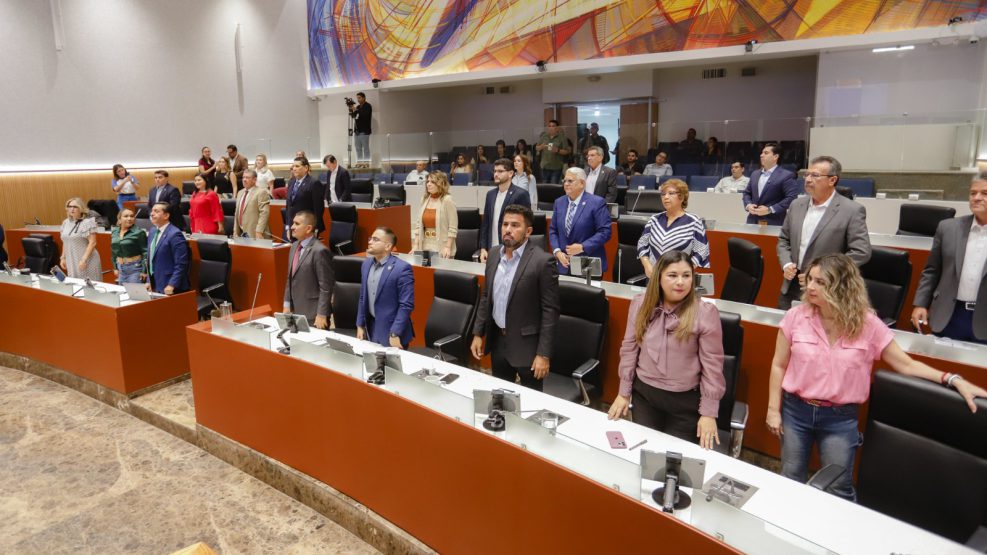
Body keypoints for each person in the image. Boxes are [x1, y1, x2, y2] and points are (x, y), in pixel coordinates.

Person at [766, 253, 987, 500]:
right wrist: (773, 410)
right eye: (810, 280)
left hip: (839, 418)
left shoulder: (868, 325)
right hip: (796, 411)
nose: (811, 287)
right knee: (790, 479)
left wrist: (953, 379)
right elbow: (778, 365)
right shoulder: (795, 317)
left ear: (843, 286)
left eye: (821, 282)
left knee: (838, 488)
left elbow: (906, 365)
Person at [608, 251, 725, 448]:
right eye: (672, 275)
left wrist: (709, 412)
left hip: (684, 402)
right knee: (644, 450)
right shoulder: (640, 304)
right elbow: (629, 349)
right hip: (645, 395)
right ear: (659, 277)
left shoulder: (704, 313)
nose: (680, 282)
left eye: (686, 275)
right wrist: (623, 393)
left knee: (673, 458)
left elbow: (713, 366)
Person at [471, 204, 559, 391]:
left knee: (532, 401)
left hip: (528, 347)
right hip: (498, 342)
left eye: (515, 225)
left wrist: (543, 354)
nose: (508, 230)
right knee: (501, 396)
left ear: (528, 231)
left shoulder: (542, 261)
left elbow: (550, 311)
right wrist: (478, 333)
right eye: (505, 224)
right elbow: (486, 296)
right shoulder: (493, 254)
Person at [777, 156, 871, 310]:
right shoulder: (796, 205)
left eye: (815, 175)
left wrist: (823, 273)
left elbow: (861, 252)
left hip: (828, 291)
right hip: (792, 286)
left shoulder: (852, 210)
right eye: (807, 174)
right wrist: (786, 263)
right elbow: (784, 240)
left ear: (832, 180)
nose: (808, 179)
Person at [912, 173, 987, 343]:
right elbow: (932, 270)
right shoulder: (948, 228)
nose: (976, 198)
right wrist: (921, 303)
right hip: (949, 314)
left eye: (985, 193)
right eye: (973, 193)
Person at [356, 227, 414, 348]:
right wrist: (360, 324)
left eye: (375, 239)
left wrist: (395, 333)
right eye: (370, 238)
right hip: (371, 327)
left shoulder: (402, 269)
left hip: (392, 332)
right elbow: (363, 296)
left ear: (388, 246)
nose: (370, 242)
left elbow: (406, 305)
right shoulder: (366, 264)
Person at [637, 179, 710, 275]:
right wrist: (647, 265)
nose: (666, 197)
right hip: (653, 276)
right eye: (663, 194)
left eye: (671, 193)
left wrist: (685, 270)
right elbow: (642, 243)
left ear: (682, 197)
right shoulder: (654, 219)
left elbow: (702, 250)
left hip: (678, 278)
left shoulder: (693, 221)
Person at [549, 167, 612, 275]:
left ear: (582, 183)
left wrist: (582, 247)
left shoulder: (596, 203)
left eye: (570, 181)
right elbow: (553, 230)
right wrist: (557, 251)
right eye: (565, 180)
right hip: (563, 264)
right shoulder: (559, 202)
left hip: (587, 264)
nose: (566, 184)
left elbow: (605, 232)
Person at [284, 210, 334, 330]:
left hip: (314, 314)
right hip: (296, 310)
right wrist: (287, 304)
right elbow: (290, 278)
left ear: (308, 228)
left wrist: (322, 314)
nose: (292, 227)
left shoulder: (319, 251)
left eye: (297, 224)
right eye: (293, 223)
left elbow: (326, 287)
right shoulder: (294, 247)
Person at [479, 158, 531, 262]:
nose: (496, 174)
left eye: (500, 171)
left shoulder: (520, 194)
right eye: (495, 171)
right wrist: (483, 248)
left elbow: (525, 224)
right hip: (492, 250)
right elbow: (486, 223)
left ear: (511, 173)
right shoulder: (490, 195)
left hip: (513, 250)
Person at [742, 143, 798, 226]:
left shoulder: (786, 175)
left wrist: (770, 209)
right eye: (762, 153)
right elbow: (747, 193)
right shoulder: (755, 174)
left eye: (766, 153)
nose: (761, 155)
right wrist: (748, 205)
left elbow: (792, 198)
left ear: (775, 156)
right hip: (752, 221)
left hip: (774, 222)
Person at [411, 171, 458, 258]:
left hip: (442, 246)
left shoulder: (447, 200)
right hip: (424, 244)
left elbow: (453, 228)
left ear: (441, 184)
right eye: (428, 181)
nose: (428, 184)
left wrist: (448, 247)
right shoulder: (424, 199)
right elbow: (418, 225)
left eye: (432, 182)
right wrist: (415, 245)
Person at [146, 202, 190, 295]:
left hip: (171, 286)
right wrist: (149, 281)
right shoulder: (152, 231)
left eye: (156, 211)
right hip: (155, 283)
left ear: (166, 215)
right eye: (152, 211)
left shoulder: (175, 234)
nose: (152, 214)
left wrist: (172, 284)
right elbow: (150, 259)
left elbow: (181, 263)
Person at [59, 197, 103, 280]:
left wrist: (84, 260)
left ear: (81, 208)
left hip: (87, 259)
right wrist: (63, 257)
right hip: (72, 259)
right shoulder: (65, 222)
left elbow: (92, 243)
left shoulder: (88, 222)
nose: (72, 209)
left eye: (75, 207)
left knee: (90, 285)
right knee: (75, 284)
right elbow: (65, 241)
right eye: (69, 206)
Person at [284, 156, 325, 240]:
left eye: (297, 166)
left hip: (307, 229)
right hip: (293, 227)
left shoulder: (314, 183)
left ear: (306, 168)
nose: (294, 169)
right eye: (293, 166)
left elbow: (318, 208)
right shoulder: (291, 182)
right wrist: (288, 227)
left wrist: (315, 229)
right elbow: (289, 206)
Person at [110, 208, 147, 284]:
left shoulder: (139, 233)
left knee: (134, 291)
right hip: (121, 268)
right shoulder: (115, 232)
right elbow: (114, 251)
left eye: (132, 216)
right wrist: (115, 267)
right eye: (126, 216)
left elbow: (145, 253)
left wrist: (144, 271)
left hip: (135, 268)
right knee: (122, 291)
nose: (129, 218)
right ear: (119, 219)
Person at [233, 169, 271, 239]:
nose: (244, 180)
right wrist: (235, 231)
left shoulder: (261, 192)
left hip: (255, 234)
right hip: (241, 233)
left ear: (254, 180)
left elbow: (264, 213)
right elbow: (237, 213)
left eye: (247, 177)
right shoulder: (240, 192)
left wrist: (259, 231)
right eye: (243, 177)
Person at [535, 120, 568, 184]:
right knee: (544, 186)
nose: (551, 128)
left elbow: (567, 151)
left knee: (553, 186)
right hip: (545, 166)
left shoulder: (562, 138)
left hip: (556, 167)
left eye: (553, 126)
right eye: (549, 126)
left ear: (557, 128)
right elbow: (536, 148)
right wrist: (541, 146)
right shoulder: (544, 136)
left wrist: (557, 150)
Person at [349, 92, 373, 167]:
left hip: (364, 131)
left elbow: (365, 115)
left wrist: (356, 110)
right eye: (357, 98)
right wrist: (351, 109)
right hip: (357, 131)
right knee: (358, 148)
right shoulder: (358, 107)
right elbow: (354, 116)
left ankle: (366, 163)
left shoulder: (368, 106)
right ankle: (359, 163)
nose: (358, 99)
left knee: (365, 148)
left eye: (359, 98)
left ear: (364, 98)